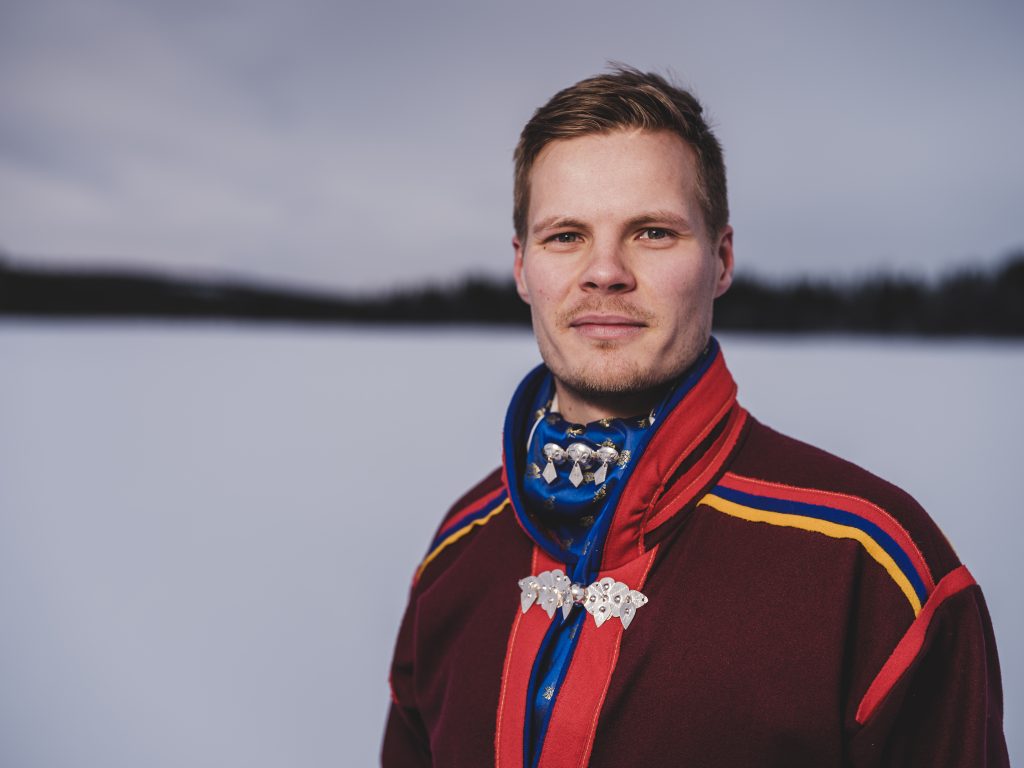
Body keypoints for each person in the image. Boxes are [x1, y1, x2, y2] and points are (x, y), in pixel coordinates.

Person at [382, 66, 1009, 767]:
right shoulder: (459, 549)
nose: (605, 271)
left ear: (722, 259)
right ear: (522, 267)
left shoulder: (868, 566)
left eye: (652, 232)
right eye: (565, 236)